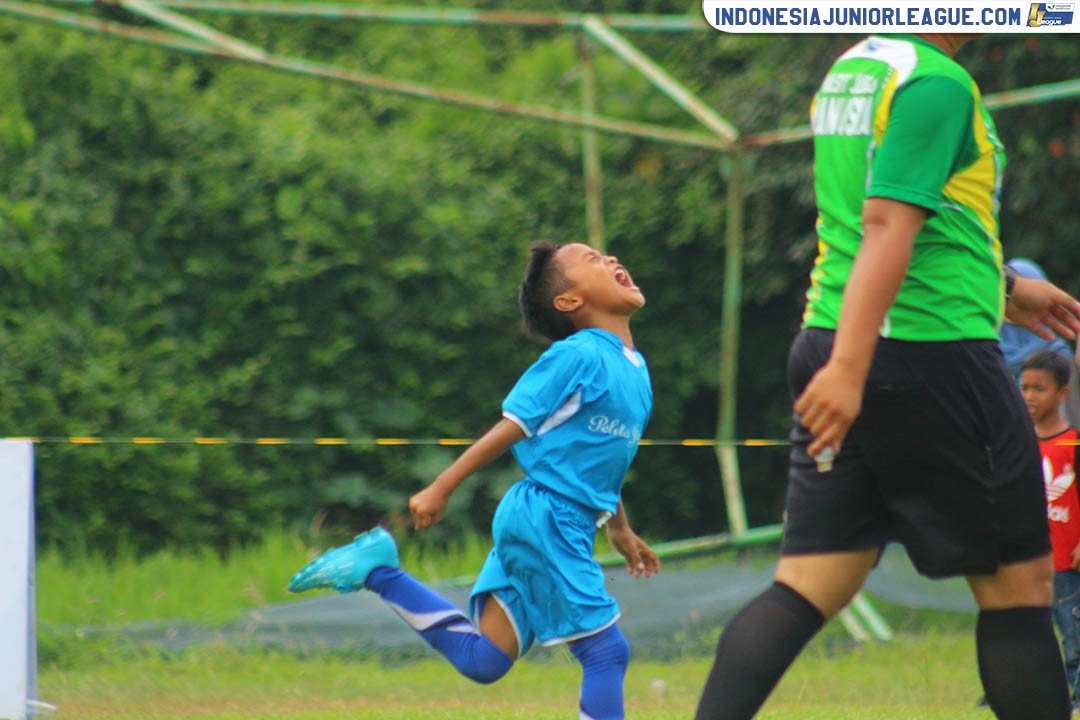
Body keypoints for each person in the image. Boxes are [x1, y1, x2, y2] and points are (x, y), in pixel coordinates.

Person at [694, 33, 1080, 720]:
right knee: (1018, 588)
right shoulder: (935, 82)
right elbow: (884, 224)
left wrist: (1007, 286)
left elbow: (907, 218)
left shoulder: (856, 69)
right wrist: (852, 368)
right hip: (926, 352)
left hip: (833, 333)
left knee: (811, 582)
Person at [289, 241, 661, 720]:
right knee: (606, 652)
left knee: (485, 660)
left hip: (558, 518)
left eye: (607, 256)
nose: (610, 260)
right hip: (545, 517)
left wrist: (616, 525)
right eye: (592, 260)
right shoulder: (579, 355)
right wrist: (442, 485)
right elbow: (514, 424)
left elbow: (598, 461)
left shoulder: (637, 370)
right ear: (568, 302)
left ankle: (377, 570)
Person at [1020, 349, 1080, 710]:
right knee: (1029, 635)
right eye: (1024, 387)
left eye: (1039, 388)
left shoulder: (1073, 443)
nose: (1029, 396)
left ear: (1062, 393)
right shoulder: (1020, 442)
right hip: (1030, 561)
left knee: (1075, 639)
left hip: (1066, 563)